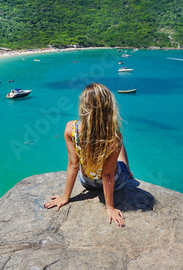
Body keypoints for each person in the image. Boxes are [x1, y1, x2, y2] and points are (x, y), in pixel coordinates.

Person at [44, 83, 132, 227]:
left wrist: (66, 197)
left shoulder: (70, 128)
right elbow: (107, 174)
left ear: (83, 106)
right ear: (109, 107)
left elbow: (73, 165)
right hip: (115, 184)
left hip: (86, 181)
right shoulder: (113, 136)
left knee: (115, 145)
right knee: (120, 147)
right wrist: (109, 207)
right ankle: (128, 172)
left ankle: (125, 169)